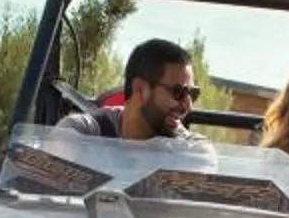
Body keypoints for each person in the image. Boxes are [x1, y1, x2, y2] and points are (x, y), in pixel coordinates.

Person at [62, 37, 200, 141]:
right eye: (178, 92)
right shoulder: (79, 133)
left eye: (193, 94)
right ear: (140, 90)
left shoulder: (191, 151)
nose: (188, 106)